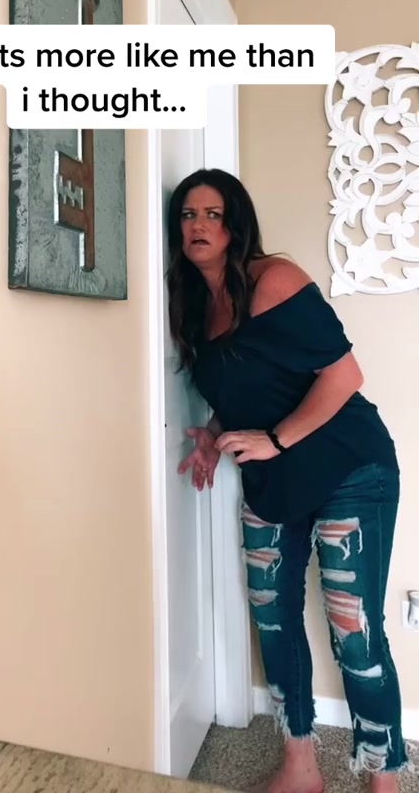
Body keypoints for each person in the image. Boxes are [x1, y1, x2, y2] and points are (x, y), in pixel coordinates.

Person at [166, 167, 410, 793]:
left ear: (235, 225)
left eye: (213, 214)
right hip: (272, 483)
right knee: (273, 622)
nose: (198, 225)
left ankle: (385, 779)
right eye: (188, 215)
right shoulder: (194, 307)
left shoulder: (272, 280)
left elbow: (344, 376)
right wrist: (214, 433)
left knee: (354, 633)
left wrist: (273, 440)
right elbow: (249, 386)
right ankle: (301, 768)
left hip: (347, 467)